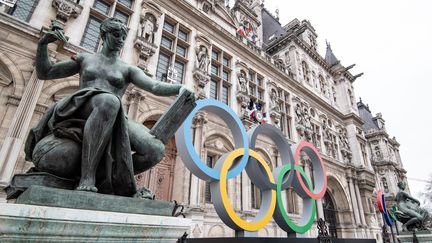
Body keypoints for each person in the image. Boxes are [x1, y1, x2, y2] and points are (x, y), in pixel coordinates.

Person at [25, 18, 191, 197]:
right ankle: (86, 178)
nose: (121, 40)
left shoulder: (127, 69)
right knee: (109, 101)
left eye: (123, 37)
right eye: (116, 35)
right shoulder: (85, 59)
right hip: (82, 106)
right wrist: (43, 44)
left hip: (115, 113)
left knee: (155, 150)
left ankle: (106, 178)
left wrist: (180, 88)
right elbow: (45, 72)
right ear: (104, 34)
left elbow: (155, 86)